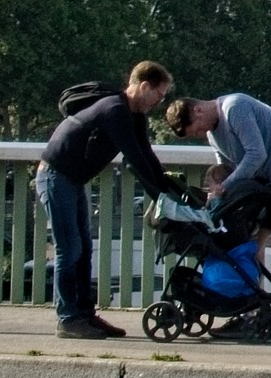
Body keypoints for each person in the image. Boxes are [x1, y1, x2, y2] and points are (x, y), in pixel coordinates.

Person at [38, 62, 193, 340]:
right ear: (144, 86)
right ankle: (68, 318)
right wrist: (160, 199)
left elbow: (147, 157)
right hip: (54, 176)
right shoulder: (115, 110)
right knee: (69, 249)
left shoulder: (135, 118)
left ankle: (85, 315)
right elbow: (133, 157)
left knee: (84, 249)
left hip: (72, 181)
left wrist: (168, 189)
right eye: (158, 95)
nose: (159, 102)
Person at [164, 91, 271, 345]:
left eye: (195, 129)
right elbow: (227, 171)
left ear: (197, 111)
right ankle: (250, 311)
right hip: (268, 183)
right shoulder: (213, 134)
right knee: (252, 246)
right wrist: (217, 196)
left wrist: (224, 187)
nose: (198, 134)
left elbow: (256, 155)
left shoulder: (235, 108)